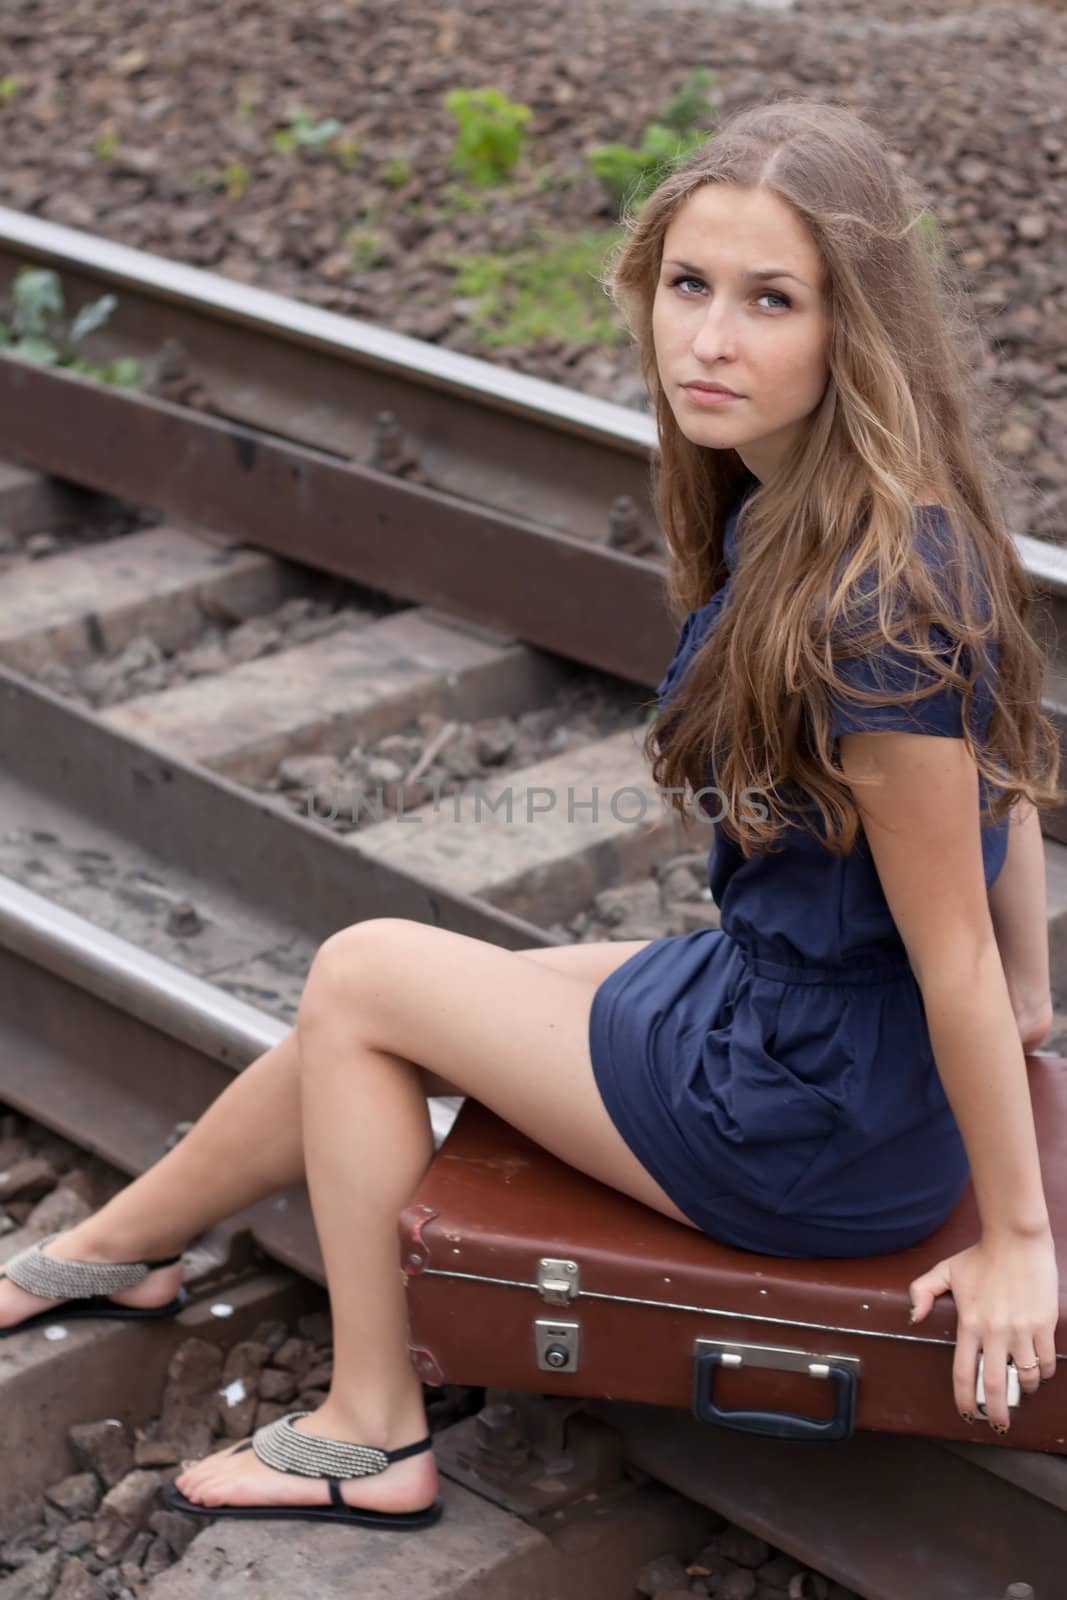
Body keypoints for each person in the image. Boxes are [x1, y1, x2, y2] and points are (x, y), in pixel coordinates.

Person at [0, 96, 1060, 1525]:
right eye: (690, 287)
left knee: (366, 974)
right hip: (803, 1022)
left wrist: (1018, 1233)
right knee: (430, 997)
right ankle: (118, 1250)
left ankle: (374, 1427)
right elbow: (1003, 793)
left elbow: (951, 953)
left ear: (851, 330)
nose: (711, 340)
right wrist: (1040, 994)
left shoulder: (869, 609)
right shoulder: (853, 502)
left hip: (810, 1125)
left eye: (771, 301)